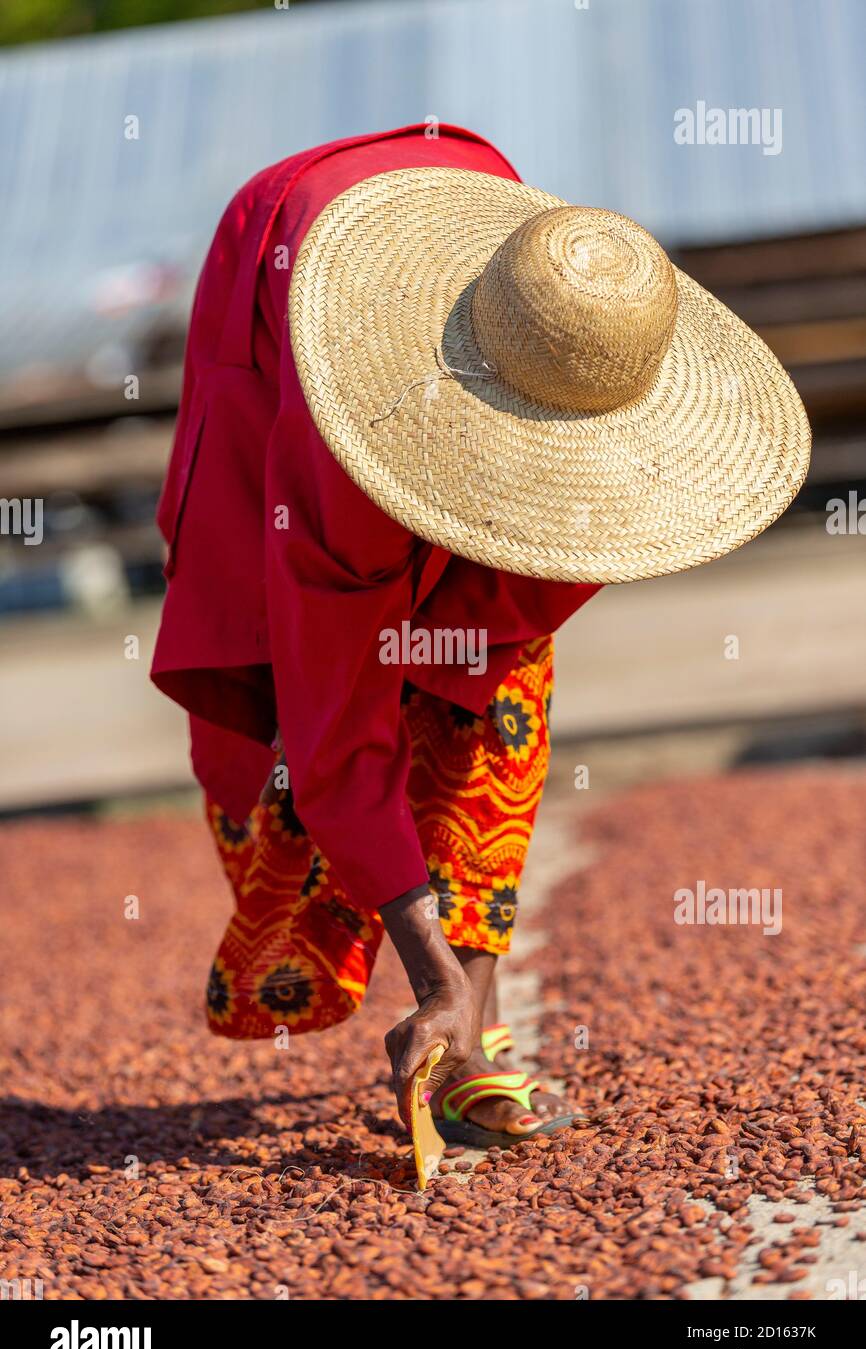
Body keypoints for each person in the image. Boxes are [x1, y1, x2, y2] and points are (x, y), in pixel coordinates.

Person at [151, 122, 810, 1148]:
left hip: (460, 214)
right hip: (273, 266)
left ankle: (471, 1039)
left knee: (490, 693)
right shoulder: (342, 455)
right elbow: (333, 738)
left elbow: (502, 638)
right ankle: (449, 1002)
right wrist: (427, 963)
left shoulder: (588, 353)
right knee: (288, 686)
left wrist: (445, 660)